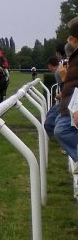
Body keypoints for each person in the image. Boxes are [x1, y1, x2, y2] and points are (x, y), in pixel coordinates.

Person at [53, 18, 78, 174]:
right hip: (70, 103)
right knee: (58, 127)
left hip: (72, 104)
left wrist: (63, 78)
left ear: (74, 40)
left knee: (61, 130)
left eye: (70, 38)